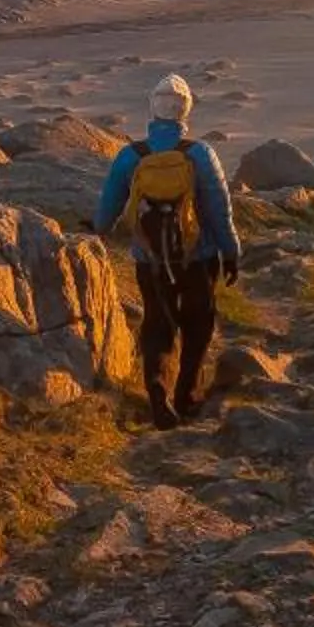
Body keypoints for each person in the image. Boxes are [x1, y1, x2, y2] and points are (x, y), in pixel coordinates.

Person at [94, 74, 242, 428]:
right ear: (185, 111)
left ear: (153, 109)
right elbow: (220, 210)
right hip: (198, 256)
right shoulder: (201, 154)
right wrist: (231, 251)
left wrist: (98, 231)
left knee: (157, 324)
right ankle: (187, 396)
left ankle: (157, 394)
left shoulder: (131, 156)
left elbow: (107, 210)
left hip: (150, 259)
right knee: (198, 324)